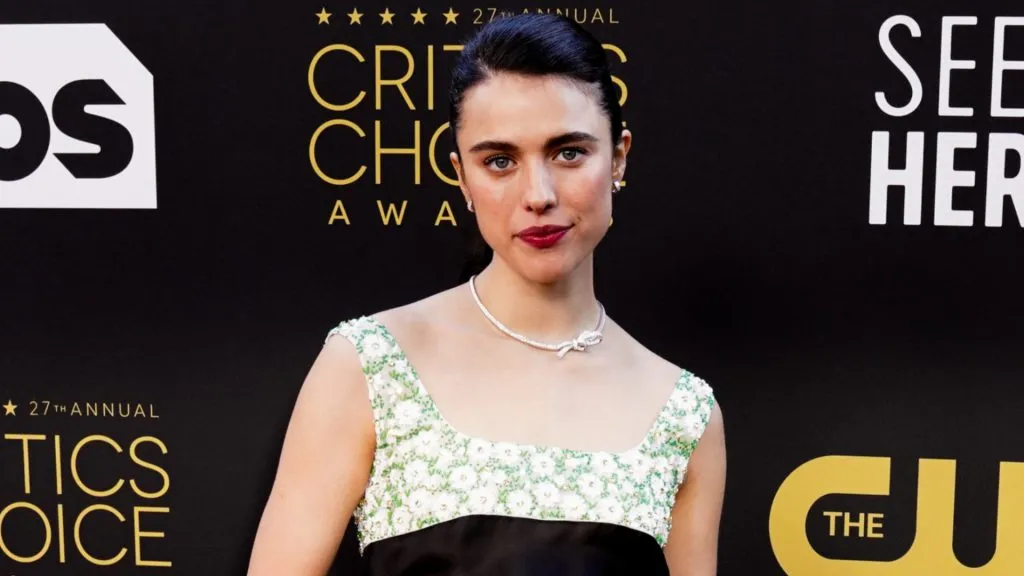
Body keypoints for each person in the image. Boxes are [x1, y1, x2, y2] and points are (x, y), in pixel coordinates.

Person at [247, 13, 725, 576]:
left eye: (568, 153)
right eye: (500, 161)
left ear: (618, 157)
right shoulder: (370, 365)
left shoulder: (684, 414)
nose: (538, 195)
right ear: (462, 177)